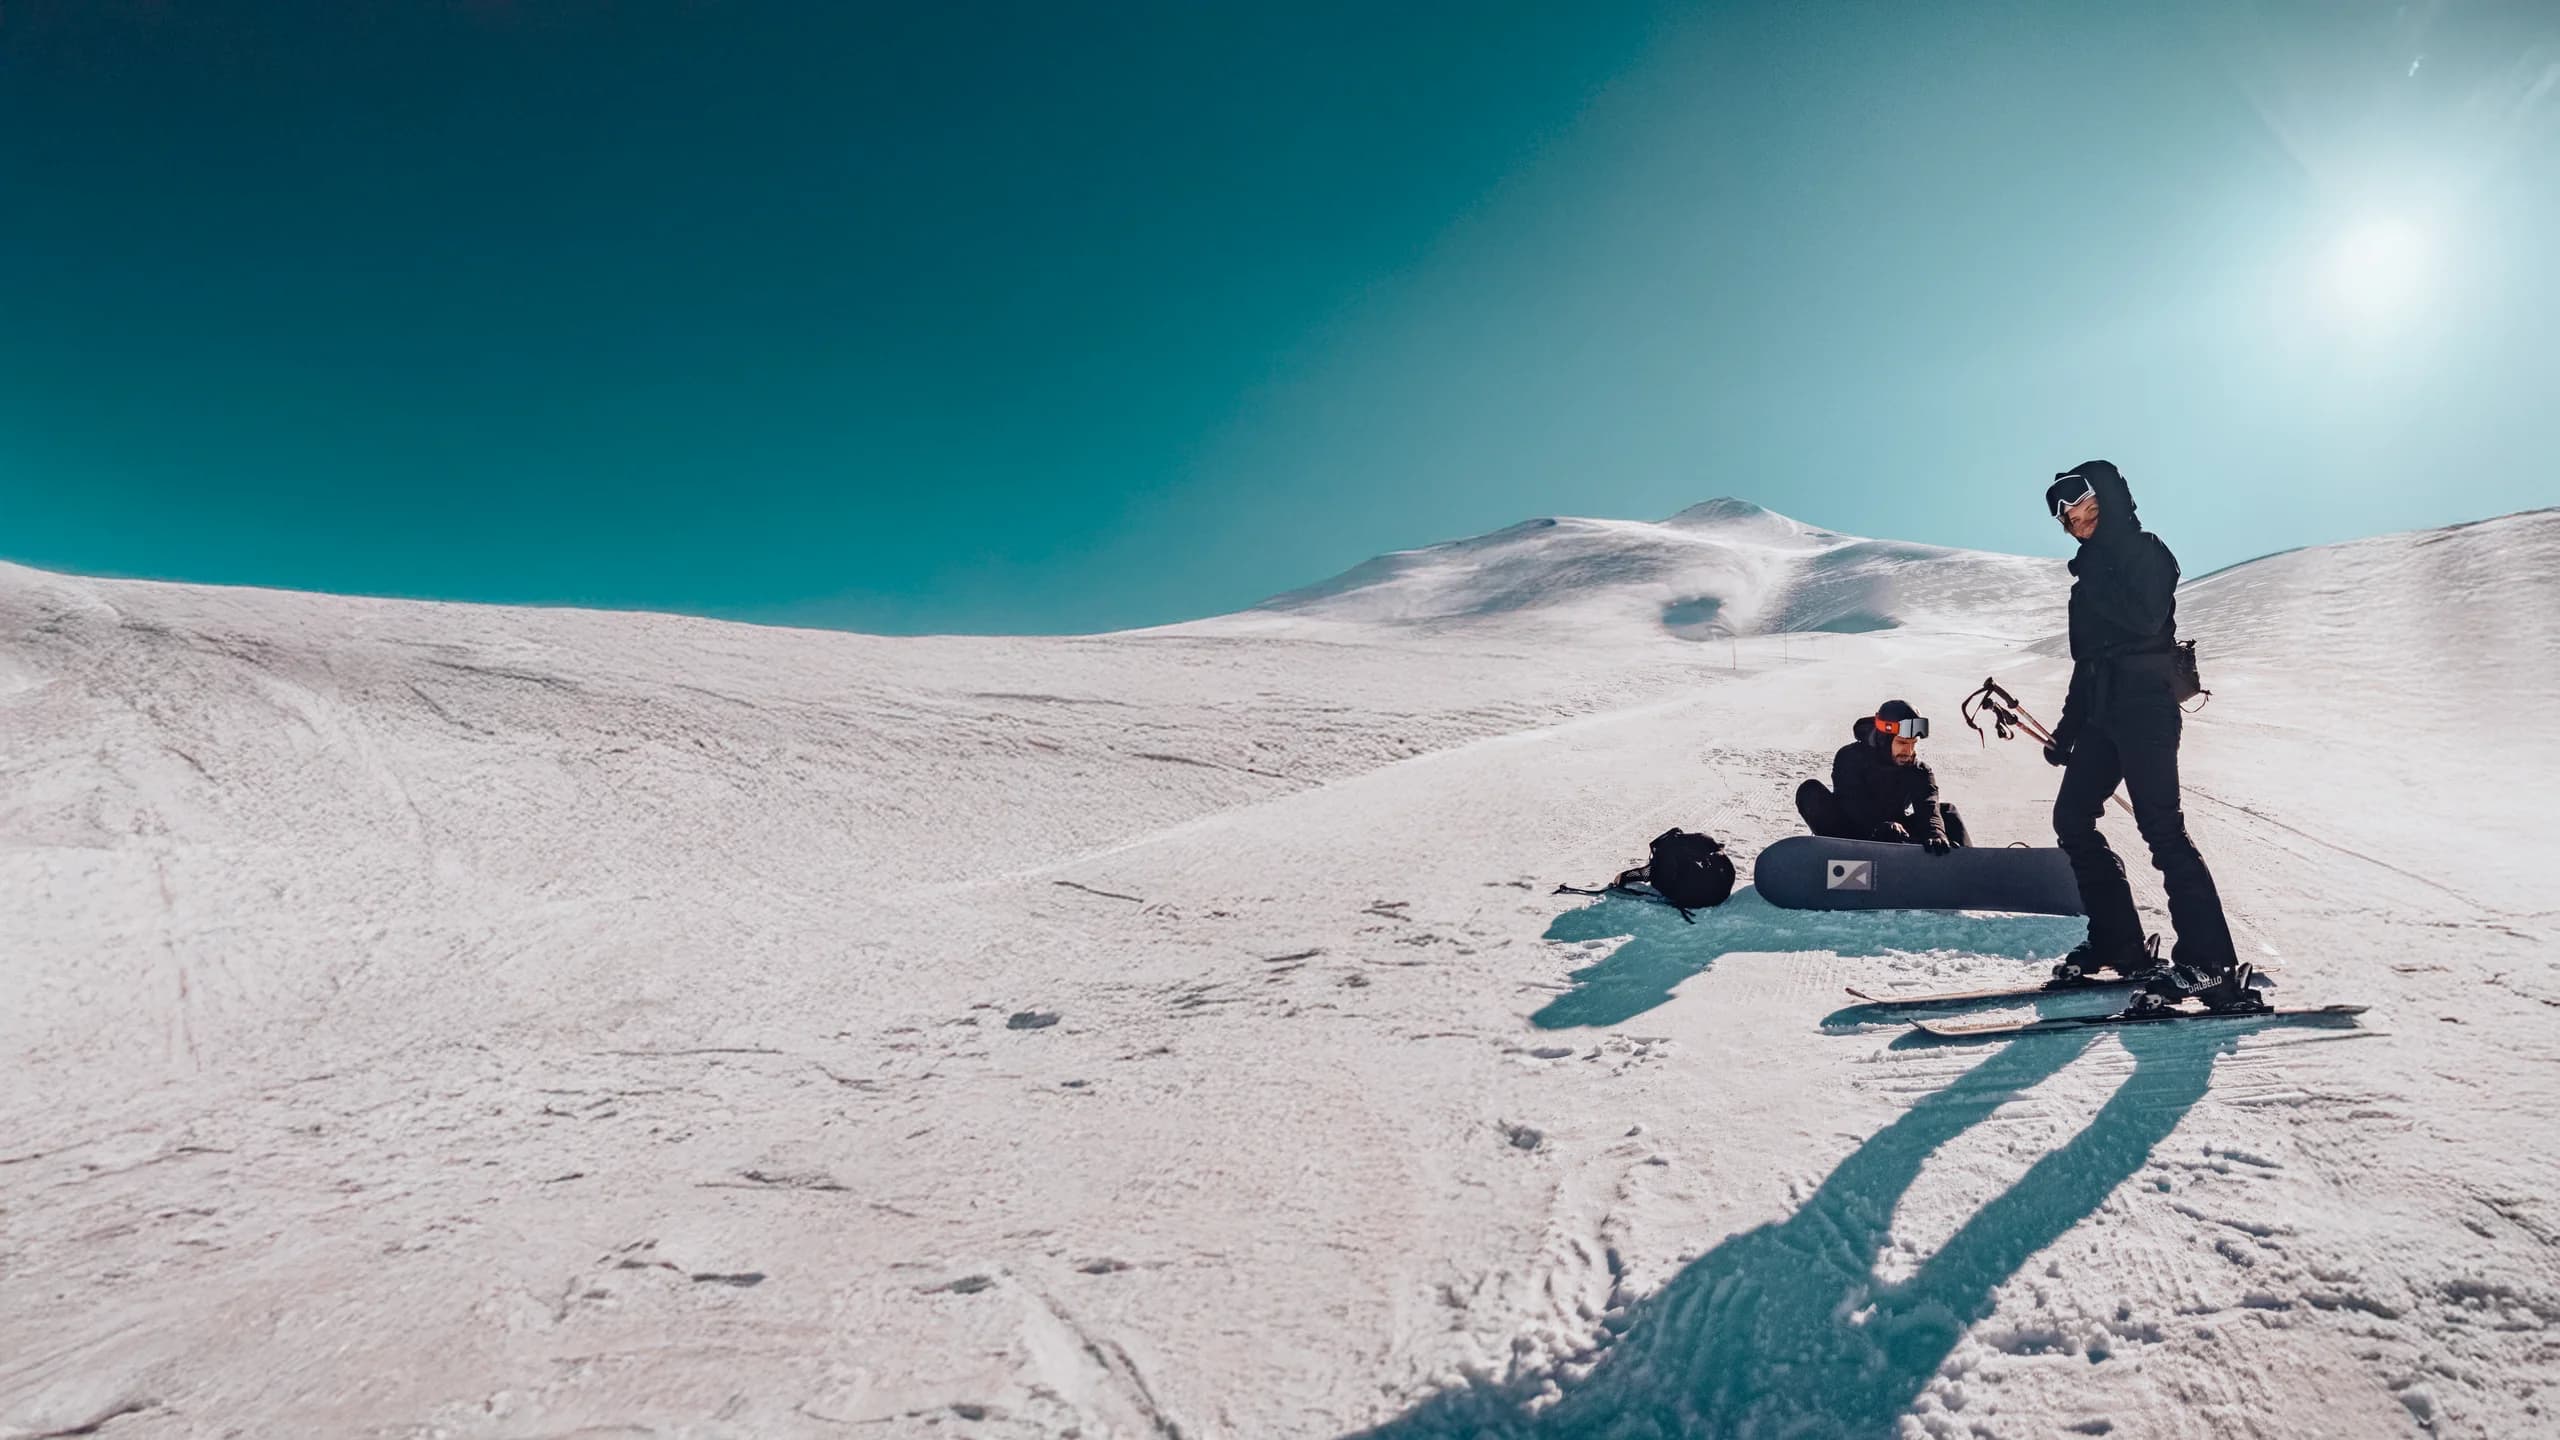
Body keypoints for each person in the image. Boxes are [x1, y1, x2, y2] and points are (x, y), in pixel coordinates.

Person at [2040, 461, 2259, 1012]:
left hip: (2146, 708)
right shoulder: (2084, 583)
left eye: (2085, 508)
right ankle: (2121, 943)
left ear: (2109, 500)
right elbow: (2084, 664)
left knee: (2161, 827)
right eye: (2068, 518)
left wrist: (2097, 571)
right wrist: (2068, 729)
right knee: (2070, 818)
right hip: (2101, 714)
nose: (2077, 521)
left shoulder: (2148, 553)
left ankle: (2210, 965)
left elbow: (2143, 620)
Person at [1795, 699, 1970, 853]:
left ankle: (1968, 868)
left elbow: (1928, 807)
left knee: (1947, 812)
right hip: (1850, 836)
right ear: (1883, 739)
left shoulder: (1919, 770)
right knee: (1809, 791)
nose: (1908, 751)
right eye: (1902, 743)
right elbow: (1852, 803)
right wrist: (1879, 827)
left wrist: (1935, 834)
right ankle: (1834, 855)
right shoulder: (1850, 758)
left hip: (1897, 835)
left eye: (1913, 744)